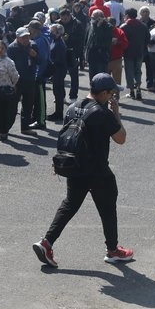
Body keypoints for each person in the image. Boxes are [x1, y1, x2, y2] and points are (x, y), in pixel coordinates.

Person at [32, 73, 133, 267]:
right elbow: (121, 138)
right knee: (108, 207)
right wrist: (116, 113)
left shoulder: (72, 107)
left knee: (70, 205)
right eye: (111, 93)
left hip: (74, 166)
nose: (113, 97)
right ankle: (113, 250)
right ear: (103, 93)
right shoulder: (102, 113)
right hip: (97, 171)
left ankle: (46, 242)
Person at [6, 27, 38, 134]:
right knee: (12, 106)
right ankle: (5, 129)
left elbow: (41, 61)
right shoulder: (12, 48)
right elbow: (8, 65)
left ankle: (25, 127)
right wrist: (11, 82)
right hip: (16, 81)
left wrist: (35, 55)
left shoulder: (33, 45)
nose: (26, 39)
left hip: (30, 80)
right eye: (23, 37)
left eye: (27, 36)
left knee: (28, 104)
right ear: (18, 38)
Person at [0, 39, 19, 141]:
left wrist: (12, 85)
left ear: (5, 49)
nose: (0, 50)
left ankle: (4, 132)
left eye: (2, 48)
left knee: (5, 112)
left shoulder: (8, 62)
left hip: (6, 91)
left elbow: (15, 76)